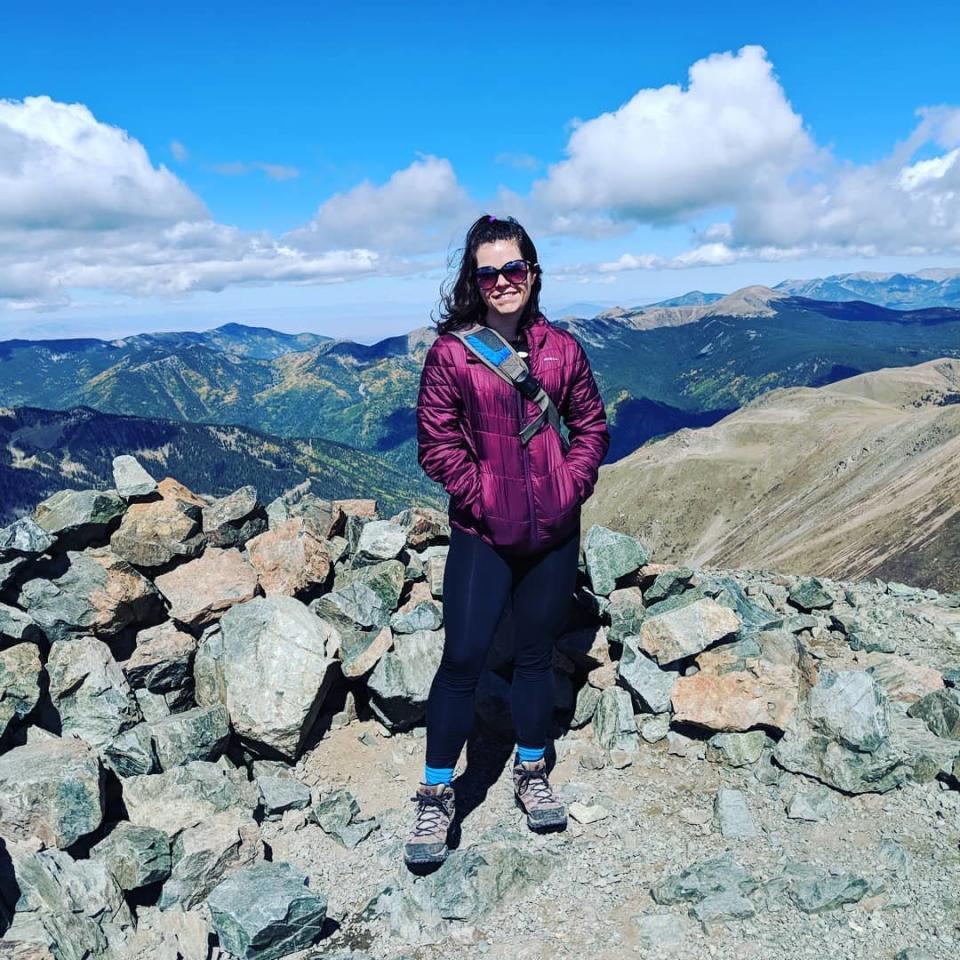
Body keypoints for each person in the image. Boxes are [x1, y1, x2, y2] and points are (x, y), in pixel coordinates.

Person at [405, 214, 610, 867]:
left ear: (533, 273)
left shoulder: (563, 350)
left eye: (512, 269)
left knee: (534, 657)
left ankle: (530, 770)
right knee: (461, 661)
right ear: (474, 280)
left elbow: (592, 428)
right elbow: (436, 447)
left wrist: (568, 487)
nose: (502, 282)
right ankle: (438, 796)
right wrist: (485, 499)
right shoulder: (452, 355)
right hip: (483, 535)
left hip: (551, 532)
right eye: (488, 272)